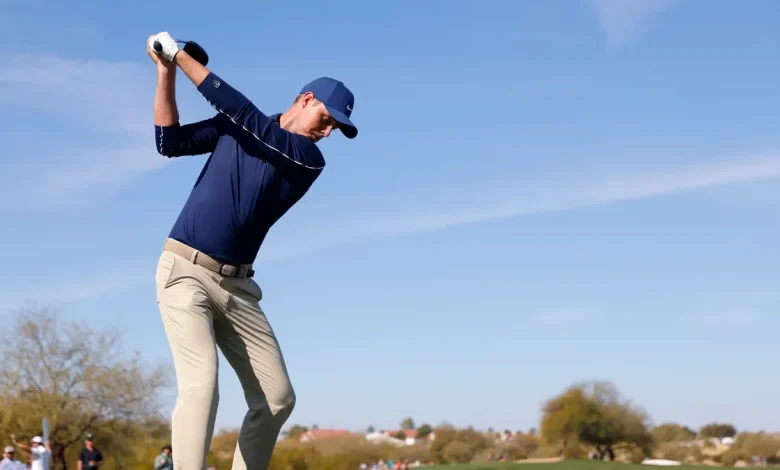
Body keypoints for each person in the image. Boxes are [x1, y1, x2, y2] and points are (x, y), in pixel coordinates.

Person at [146, 31, 359, 470]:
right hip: (185, 271)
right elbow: (168, 142)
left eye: (336, 126)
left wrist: (177, 52)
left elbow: (241, 112)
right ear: (305, 99)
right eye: (326, 116)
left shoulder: (306, 158)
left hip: (239, 290)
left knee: (277, 398)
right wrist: (165, 72)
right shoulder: (240, 127)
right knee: (202, 385)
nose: (327, 129)